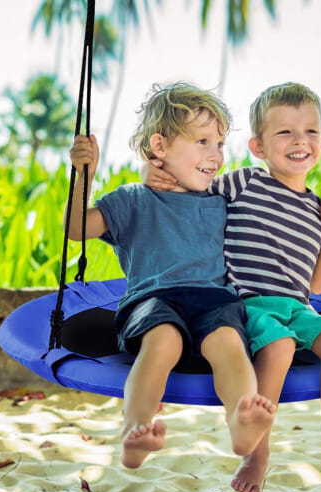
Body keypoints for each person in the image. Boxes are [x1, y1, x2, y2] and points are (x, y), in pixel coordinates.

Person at [143, 82, 321, 492]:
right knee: (280, 345)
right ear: (258, 146)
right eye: (285, 132)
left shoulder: (317, 210)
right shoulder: (246, 182)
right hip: (248, 303)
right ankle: (257, 454)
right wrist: (152, 173)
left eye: (310, 131)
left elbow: (319, 283)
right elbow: (190, 188)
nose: (300, 141)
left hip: (297, 306)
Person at [66, 82, 276, 470]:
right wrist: (85, 176)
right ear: (160, 146)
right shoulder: (133, 199)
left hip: (214, 300)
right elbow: (77, 229)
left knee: (229, 342)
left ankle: (241, 421)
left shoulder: (222, 199)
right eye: (202, 142)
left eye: (219, 144)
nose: (215, 155)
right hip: (153, 301)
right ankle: (135, 431)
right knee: (162, 341)